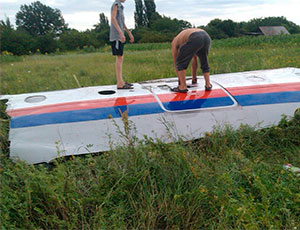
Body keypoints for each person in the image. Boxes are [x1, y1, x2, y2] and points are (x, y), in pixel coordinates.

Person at [171, 28, 212, 93]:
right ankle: (208, 85)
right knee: (204, 60)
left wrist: (180, 81)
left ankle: (183, 87)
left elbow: (176, 61)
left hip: (195, 37)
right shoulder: (185, 35)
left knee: (180, 62)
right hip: (206, 36)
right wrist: (194, 79)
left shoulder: (174, 42)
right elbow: (194, 58)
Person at [110, 0, 134, 89]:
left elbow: (122, 23)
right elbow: (113, 18)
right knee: (119, 57)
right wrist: (120, 33)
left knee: (120, 56)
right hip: (116, 36)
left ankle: (121, 81)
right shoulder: (116, 4)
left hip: (119, 35)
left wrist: (129, 33)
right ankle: (119, 83)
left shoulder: (121, 6)